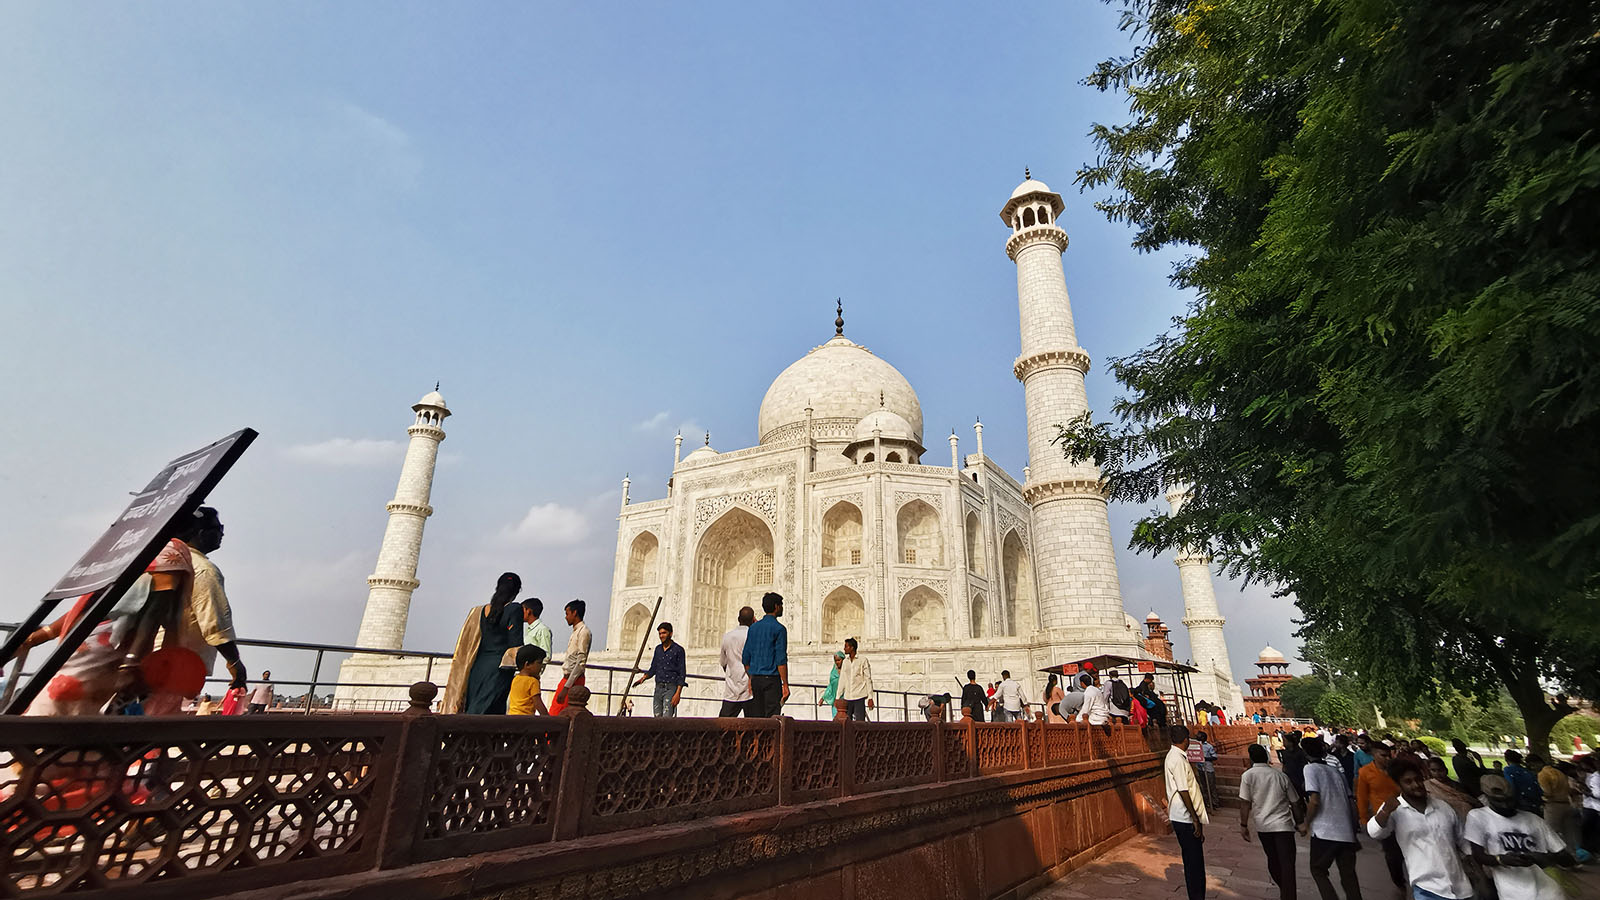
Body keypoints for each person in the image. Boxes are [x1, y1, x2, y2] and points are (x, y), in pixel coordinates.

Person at [1367, 756, 1473, 900]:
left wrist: (1478, 872)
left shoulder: (1442, 806)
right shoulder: (1396, 810)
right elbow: (1374, 832)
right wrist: (1385, 812)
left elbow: (1462, 840)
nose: (1416, 784)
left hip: (1461, 887)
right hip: (1427, 888)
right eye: (1408, 782)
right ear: (1399, 785)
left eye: (1418, 779)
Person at [1465, 773, 1573, 900]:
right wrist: (1502, 860)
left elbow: (1568, 859)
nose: (1506, 805)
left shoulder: (1533, 819)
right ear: (1487, 797)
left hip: (1549, 891)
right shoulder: (1478, 817)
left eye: (1509, 800)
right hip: (1512, 892)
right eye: (1498, 801)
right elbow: (1478, 856)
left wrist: (1547, 858)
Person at [441, 573, 523, 714]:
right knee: (487, 713)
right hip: (500, 669)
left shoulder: (481, 611)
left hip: (478, 667)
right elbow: (515, 644)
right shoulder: (514, 609)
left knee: (474, 706)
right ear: (516, 591)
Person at [1301, 735, 1365, 900]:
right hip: (1345, 832)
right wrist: (1353, 829)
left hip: (1325, 831)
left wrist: (1305, 824)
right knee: (1349, 877)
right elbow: (1351, 803)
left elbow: (1314, 801)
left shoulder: (1310, 769)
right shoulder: (1336, 772)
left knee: (1318, 870)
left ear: (1305, 754)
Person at [1239, 743, 1301, 900]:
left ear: (1251, 758)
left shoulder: (1248, 776)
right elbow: (1295, 802)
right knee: (1287, 864)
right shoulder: (1279, 776)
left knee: (1273, 860)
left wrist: (1244, 825)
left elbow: (1245, 802)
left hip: (1264, 825)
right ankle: (1288, 894)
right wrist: (1300, 822)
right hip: (1283, 825)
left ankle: (1285, 892)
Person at [1165, 725, 1209, 900]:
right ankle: (1196, 896)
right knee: (1194, 863)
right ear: (1186, 740)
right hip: (1184, 817)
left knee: (1193, 859)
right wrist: (1195, 819)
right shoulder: (1176, 759)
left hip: (1182, 815)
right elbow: (1184, 790)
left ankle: (1197, 894)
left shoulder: (1175, 757)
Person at [1357, 741, 1407, 894]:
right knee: (1392, 855)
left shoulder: (1396, 770)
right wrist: (1364, 818)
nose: (1387, 758)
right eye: (1383, 755)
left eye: (1388, 755)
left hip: (1405, 814)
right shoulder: (1365, 772)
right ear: (1374, 755)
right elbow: (1362, 797)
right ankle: (1400, 884)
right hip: (1384, 818)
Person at [741, 592, 788, 717]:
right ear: (776, 607)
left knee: (758, 718)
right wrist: (785, 684)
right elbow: (781, 660)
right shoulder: (779, 629)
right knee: (772, 719)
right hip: (771, 680)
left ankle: (757, 737)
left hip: (756, 679)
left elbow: (745, 658)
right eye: (781, 605)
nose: (782, 608)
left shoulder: (753, 628)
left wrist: (751, 678)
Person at [633, 622, 686, 718]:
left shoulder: (678, 650)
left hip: (671, 688)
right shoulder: (658, 649)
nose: (661, 636)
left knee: (667, 718)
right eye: (660, 633)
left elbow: (682, 673)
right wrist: (644, 677)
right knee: (657, 718)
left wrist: (678, 693)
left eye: (664, 633)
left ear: (670, 633)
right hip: (658, 688)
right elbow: (654, 667)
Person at [549, 599, 591, 715]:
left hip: (573, 681)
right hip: (568, 679)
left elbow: (580, 663)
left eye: (567, 614)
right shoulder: (576, 631)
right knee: (557, 711)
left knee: (560, 713)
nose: (566, 617)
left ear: (575, 613)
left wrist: (567, 688)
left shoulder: (584, 632)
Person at [1537, 759, 1581, 863]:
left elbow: (1547, 792)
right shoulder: (1563, 775)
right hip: (1566, 804)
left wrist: (1542, 799)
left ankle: (1556, 860)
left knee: (1552, 833)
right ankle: (1573, 858)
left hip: (1553, 806)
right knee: (1569, 834)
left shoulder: (1544, 774)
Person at [719, 607, 755, 717]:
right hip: (749, 686)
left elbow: (723, 662)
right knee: (754, 724)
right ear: (753, 619)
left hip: (732, 685)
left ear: (739, 619)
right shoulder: (753, 635)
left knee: (724, 723)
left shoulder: (727, 636)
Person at [838, 638, 873, 721]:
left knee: (860, 722)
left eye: (846, 647)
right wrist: (838, 697)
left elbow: (868, 679)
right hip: (847, 697)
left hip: (859, 696)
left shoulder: (862, 660)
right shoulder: (845, 662)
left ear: (852, 648)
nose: (844, 649)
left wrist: (870, 697)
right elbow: (842, 679)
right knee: (847, 722)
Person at [506, 645, 548, 716]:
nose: (541, 666)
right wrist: (548, 718)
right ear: (527, 664)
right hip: (526, 719)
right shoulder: (532, 681)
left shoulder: (516, 678)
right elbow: (538, 703)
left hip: (512, 716)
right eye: (539, 663)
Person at [1501, 750, 1543, 815]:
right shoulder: (1527, 771)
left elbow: (1511, 786)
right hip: (1535, 801)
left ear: (1507, 760)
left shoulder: (1508, 770)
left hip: (1521, 802)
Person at [1282, 732, 1309, 796]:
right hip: (1290, 778)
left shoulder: (1300, 752)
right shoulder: (1285, 753)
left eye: (1285, 741)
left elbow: (1304, 765)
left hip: (1299, 777)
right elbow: (1285, 764)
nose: (1283, 743)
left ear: (1290, 742)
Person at [819, 652, 845, 719]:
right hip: (835, 699)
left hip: (845, 698)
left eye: (839, 660)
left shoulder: (846, 670)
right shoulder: (834, 672)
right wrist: (823, 698)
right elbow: (830, 685)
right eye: (836, 660)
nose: (837, 662)